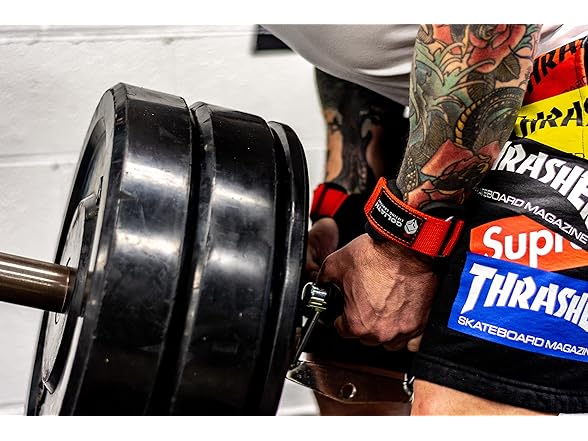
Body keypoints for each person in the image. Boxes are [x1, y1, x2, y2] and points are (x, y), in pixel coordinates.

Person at [265, 24, 588, 415]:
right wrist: (347, 196)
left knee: (459, 402)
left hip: (563, 89)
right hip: (451, 114)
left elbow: (488, 32)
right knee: (347, 368)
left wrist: (403, 249)